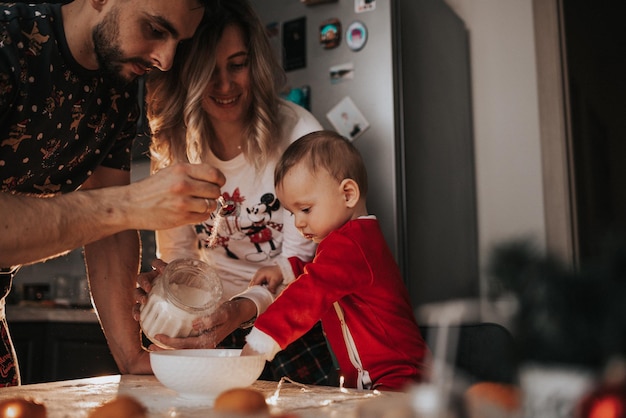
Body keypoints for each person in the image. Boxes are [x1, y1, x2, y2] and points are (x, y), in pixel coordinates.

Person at [0, 0, 223, 386]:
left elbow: (112, 230)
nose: (166, 60)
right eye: (155, 29)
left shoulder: (117, 92)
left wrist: (132, 356)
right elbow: (119, 211)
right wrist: (133, 205)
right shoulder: (7, 42)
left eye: (177, 41)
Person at [135, 0, 336, 385]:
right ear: (187, 74)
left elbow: (302, 260)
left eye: (237, 64)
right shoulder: (176, 147)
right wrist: (168, 293)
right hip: (214, 324)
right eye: (208, 70)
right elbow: (177, 254)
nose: (224, 85)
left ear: (255, 65)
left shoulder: (300, 137)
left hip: (295, 324)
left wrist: (243, 309)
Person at [242, 130, 429, 391]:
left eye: (305, 209)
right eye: (292, 212)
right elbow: (326, 275)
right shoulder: (348, 243)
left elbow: (313, 289)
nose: (298, 222)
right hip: (376, 382)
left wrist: (262, 340)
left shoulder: (352, 243)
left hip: (399, 379)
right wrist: (285, 270)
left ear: (348, 194)